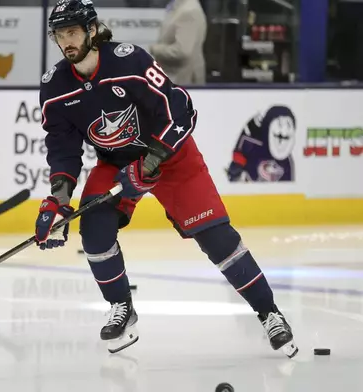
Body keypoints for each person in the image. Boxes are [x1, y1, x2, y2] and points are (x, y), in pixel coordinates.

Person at [36, 0, 298, 357]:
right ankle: (121, 308)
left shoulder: (129, 61)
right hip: (116, 162)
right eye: (60, 35)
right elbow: (62, 148)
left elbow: (181, 109)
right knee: (94, 230)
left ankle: (270, 313)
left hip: (171, 156)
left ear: (93, 30)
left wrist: (150, 163)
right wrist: (59, 199)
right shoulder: (55, 86)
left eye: (73, 32)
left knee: (218, 240)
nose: (66, 41)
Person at [149, 0, 207, 85]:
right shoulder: (178, 7)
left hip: (182, 80)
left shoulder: (188, 11)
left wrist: (155, 49)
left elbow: (182, 51)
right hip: (175, 79)